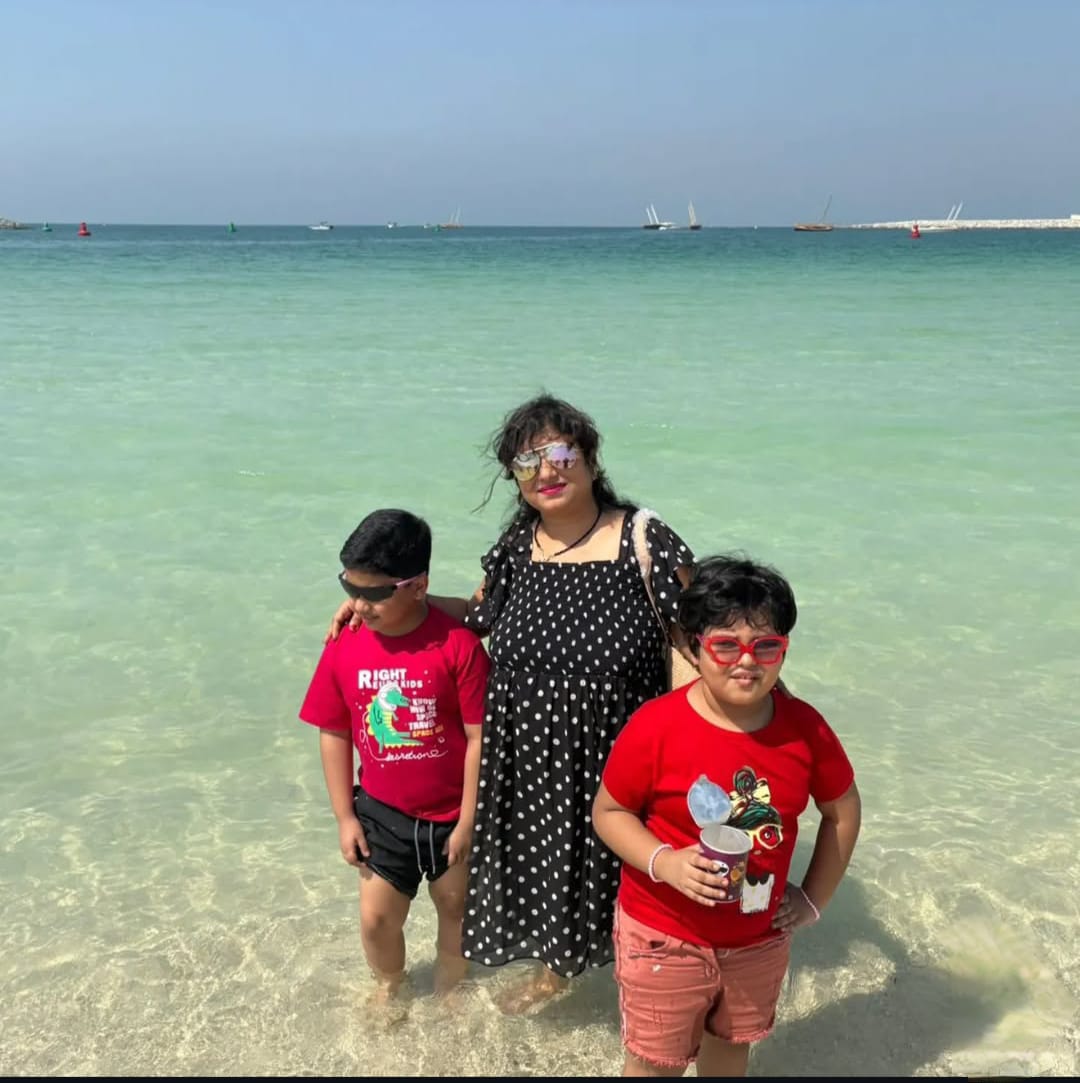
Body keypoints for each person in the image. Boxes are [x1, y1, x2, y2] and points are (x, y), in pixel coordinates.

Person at [327, 394, 695, 1013]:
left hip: (614, 753)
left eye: (558, 452)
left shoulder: (641, 536)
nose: (546, 471)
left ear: (589, 455)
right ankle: (558, 971)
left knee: (614, 872)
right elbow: (480, 615)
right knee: (551, 869)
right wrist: (384, 604)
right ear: (515, 478)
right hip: (523, 751)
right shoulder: (519, 545)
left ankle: (644, 982)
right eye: (527, 462)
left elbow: (694, 637)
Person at [592, 554, 862, 1077]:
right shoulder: (656, 726)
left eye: (766, 646)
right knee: (654, 1062)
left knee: (732, 1049)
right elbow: (610, 811)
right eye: (725, 645)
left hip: (758, 939)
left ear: (784, 650)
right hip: (662, 935)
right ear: (694, 648)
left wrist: (812, 898)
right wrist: (664, 862)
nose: (747, 662)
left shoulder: (805, 729)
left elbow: (843, 812)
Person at [301, 509, 491, 1005]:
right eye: (350, 589)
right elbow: (333, 730)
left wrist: (469, 820)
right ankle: (390, 985)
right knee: (376, 918)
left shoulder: (459, 647)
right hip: (383, 812)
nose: (359, 605)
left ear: (418, 585)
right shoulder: (345, 644)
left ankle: (452, 990)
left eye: (375, 593)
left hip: (454, 813)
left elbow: (479, 738)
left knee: (455, 906)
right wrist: (345, 816)